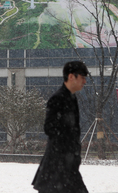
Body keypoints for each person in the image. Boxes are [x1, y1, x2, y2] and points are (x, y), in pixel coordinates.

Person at [32, 60, 89, 193]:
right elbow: (49, 127)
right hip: (57, 165)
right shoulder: (58, 99)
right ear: (71, 76)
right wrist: (67, 146)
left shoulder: (72, 98)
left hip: (67, 165)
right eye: (82, 77)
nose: (84, 82)